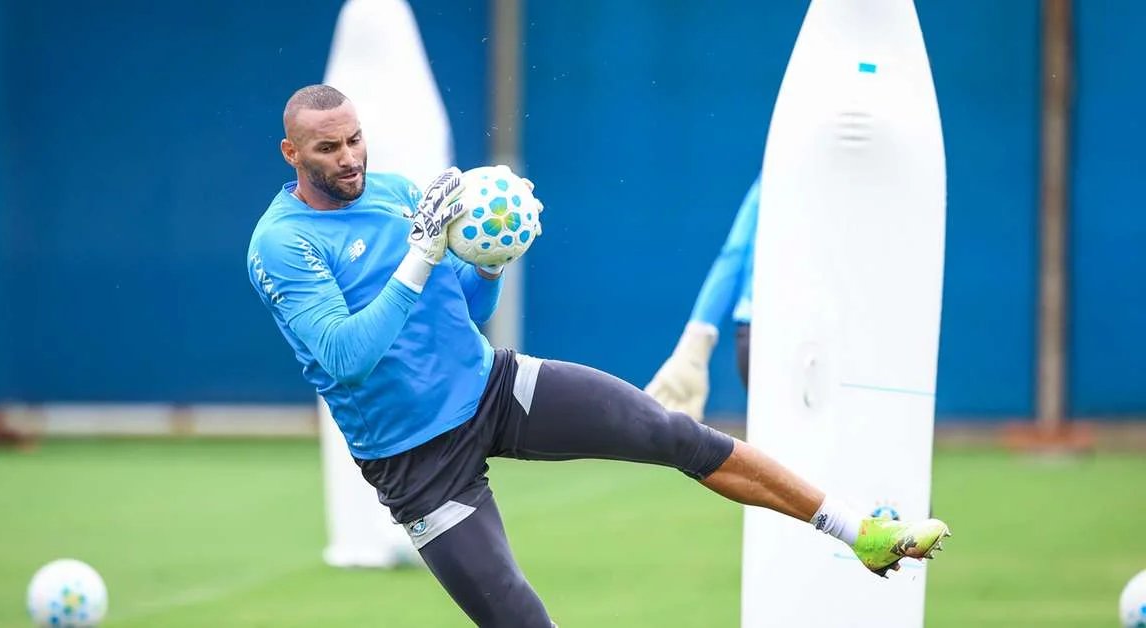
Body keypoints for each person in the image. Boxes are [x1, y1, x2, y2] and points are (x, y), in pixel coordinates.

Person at [246, 84, 950, 627]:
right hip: (417, 459)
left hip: (493, 387)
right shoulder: (282, 243)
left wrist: (488, 261)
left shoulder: (395, 192)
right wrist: (423, 257)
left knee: (674, 433)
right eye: (328, 149)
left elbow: (464, 307)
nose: (349, 159)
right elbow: (346, 356)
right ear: (291, 154)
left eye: (355, 140)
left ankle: (861, 531)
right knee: (520, 620)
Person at [646, 176, 760, 421]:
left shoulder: (776, 169)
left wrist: (696, 340)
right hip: (804, 338)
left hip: (753, 338)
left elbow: (734, 253)